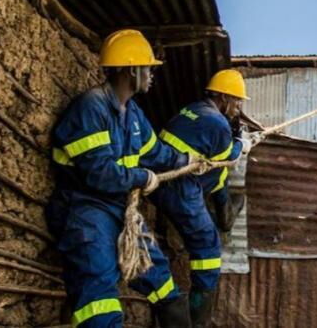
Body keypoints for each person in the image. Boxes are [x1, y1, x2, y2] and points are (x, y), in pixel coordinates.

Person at [45, 30, 197, 327]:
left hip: (118, 209)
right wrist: (143, 177)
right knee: (99, 295)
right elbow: (99, 172)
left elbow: (156, 153)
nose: (153, 74)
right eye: (149, 67)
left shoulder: (134, 114)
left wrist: (189, 160)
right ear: (131, 69)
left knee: (161, 281)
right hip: (85, 210)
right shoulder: (91, 108)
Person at [150, 69, 256, 326]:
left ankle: (226, 214)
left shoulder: (194, 109)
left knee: (218, 179)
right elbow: (230, 156)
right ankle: (199, 320)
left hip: (161, 182)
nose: (239, 106)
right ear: (222, 97)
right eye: (237, 100)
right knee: (208, 246)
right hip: (180, 187)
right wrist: (244, 143)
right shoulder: (218, 124)